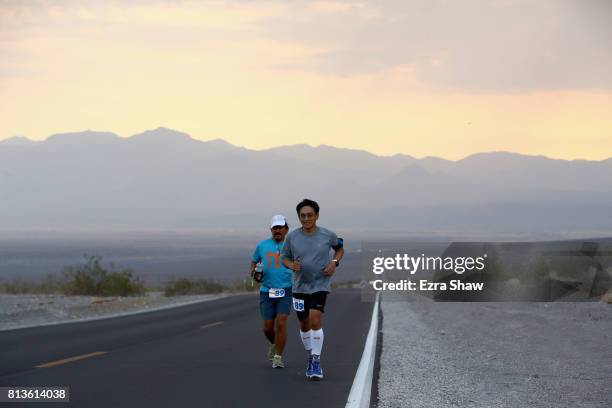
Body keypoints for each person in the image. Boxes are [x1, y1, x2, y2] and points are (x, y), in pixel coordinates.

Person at [281, 199, 344, 380]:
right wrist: (290, 264)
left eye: (310, 215)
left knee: (315, 319)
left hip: (320, 284)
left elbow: (339, 249)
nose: (306, 218)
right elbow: (283, 257)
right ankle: (310, 353)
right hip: (299, 286)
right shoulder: (292, 237)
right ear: (299, 217)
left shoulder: (327, 235)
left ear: (316, 215)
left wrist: (334, 262)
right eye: (303, 216)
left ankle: (316, 361)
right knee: (304, 324)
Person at [250, 214, 292, 368]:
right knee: (268, 328)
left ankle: (278, 357)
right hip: (267, 291)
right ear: (271, 229)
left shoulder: (291, 246)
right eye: (275, 228)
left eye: (280, 227)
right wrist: (254, 274)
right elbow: (253, 262)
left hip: (285, 290)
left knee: (281, 323)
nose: (277, 230)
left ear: (286, 229)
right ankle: (274, 343)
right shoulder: (262, 246)